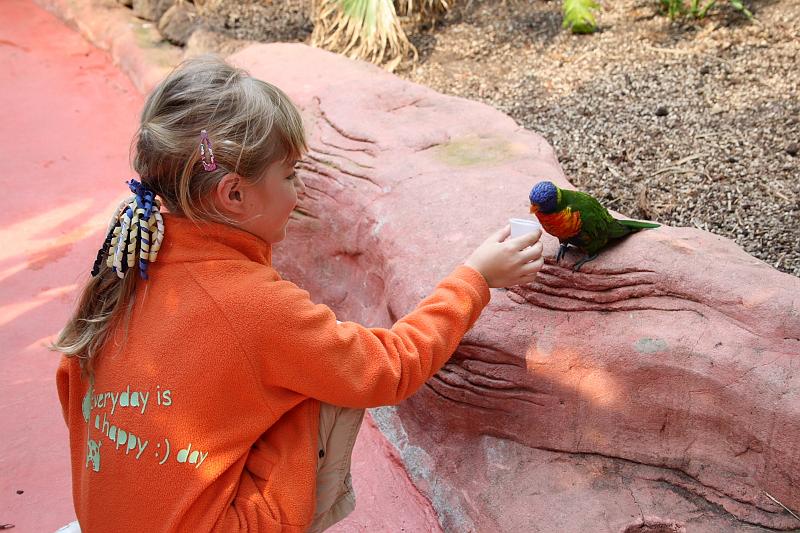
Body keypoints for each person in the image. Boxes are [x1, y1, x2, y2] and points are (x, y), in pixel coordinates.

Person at [52, 54, 544, 533]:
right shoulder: (255, 307)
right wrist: (476, 278)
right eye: (289, 175)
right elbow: (386, 370)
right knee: (325, 381)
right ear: (233, 195)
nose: (298, 190)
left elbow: (69, 383)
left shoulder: (127, 260)